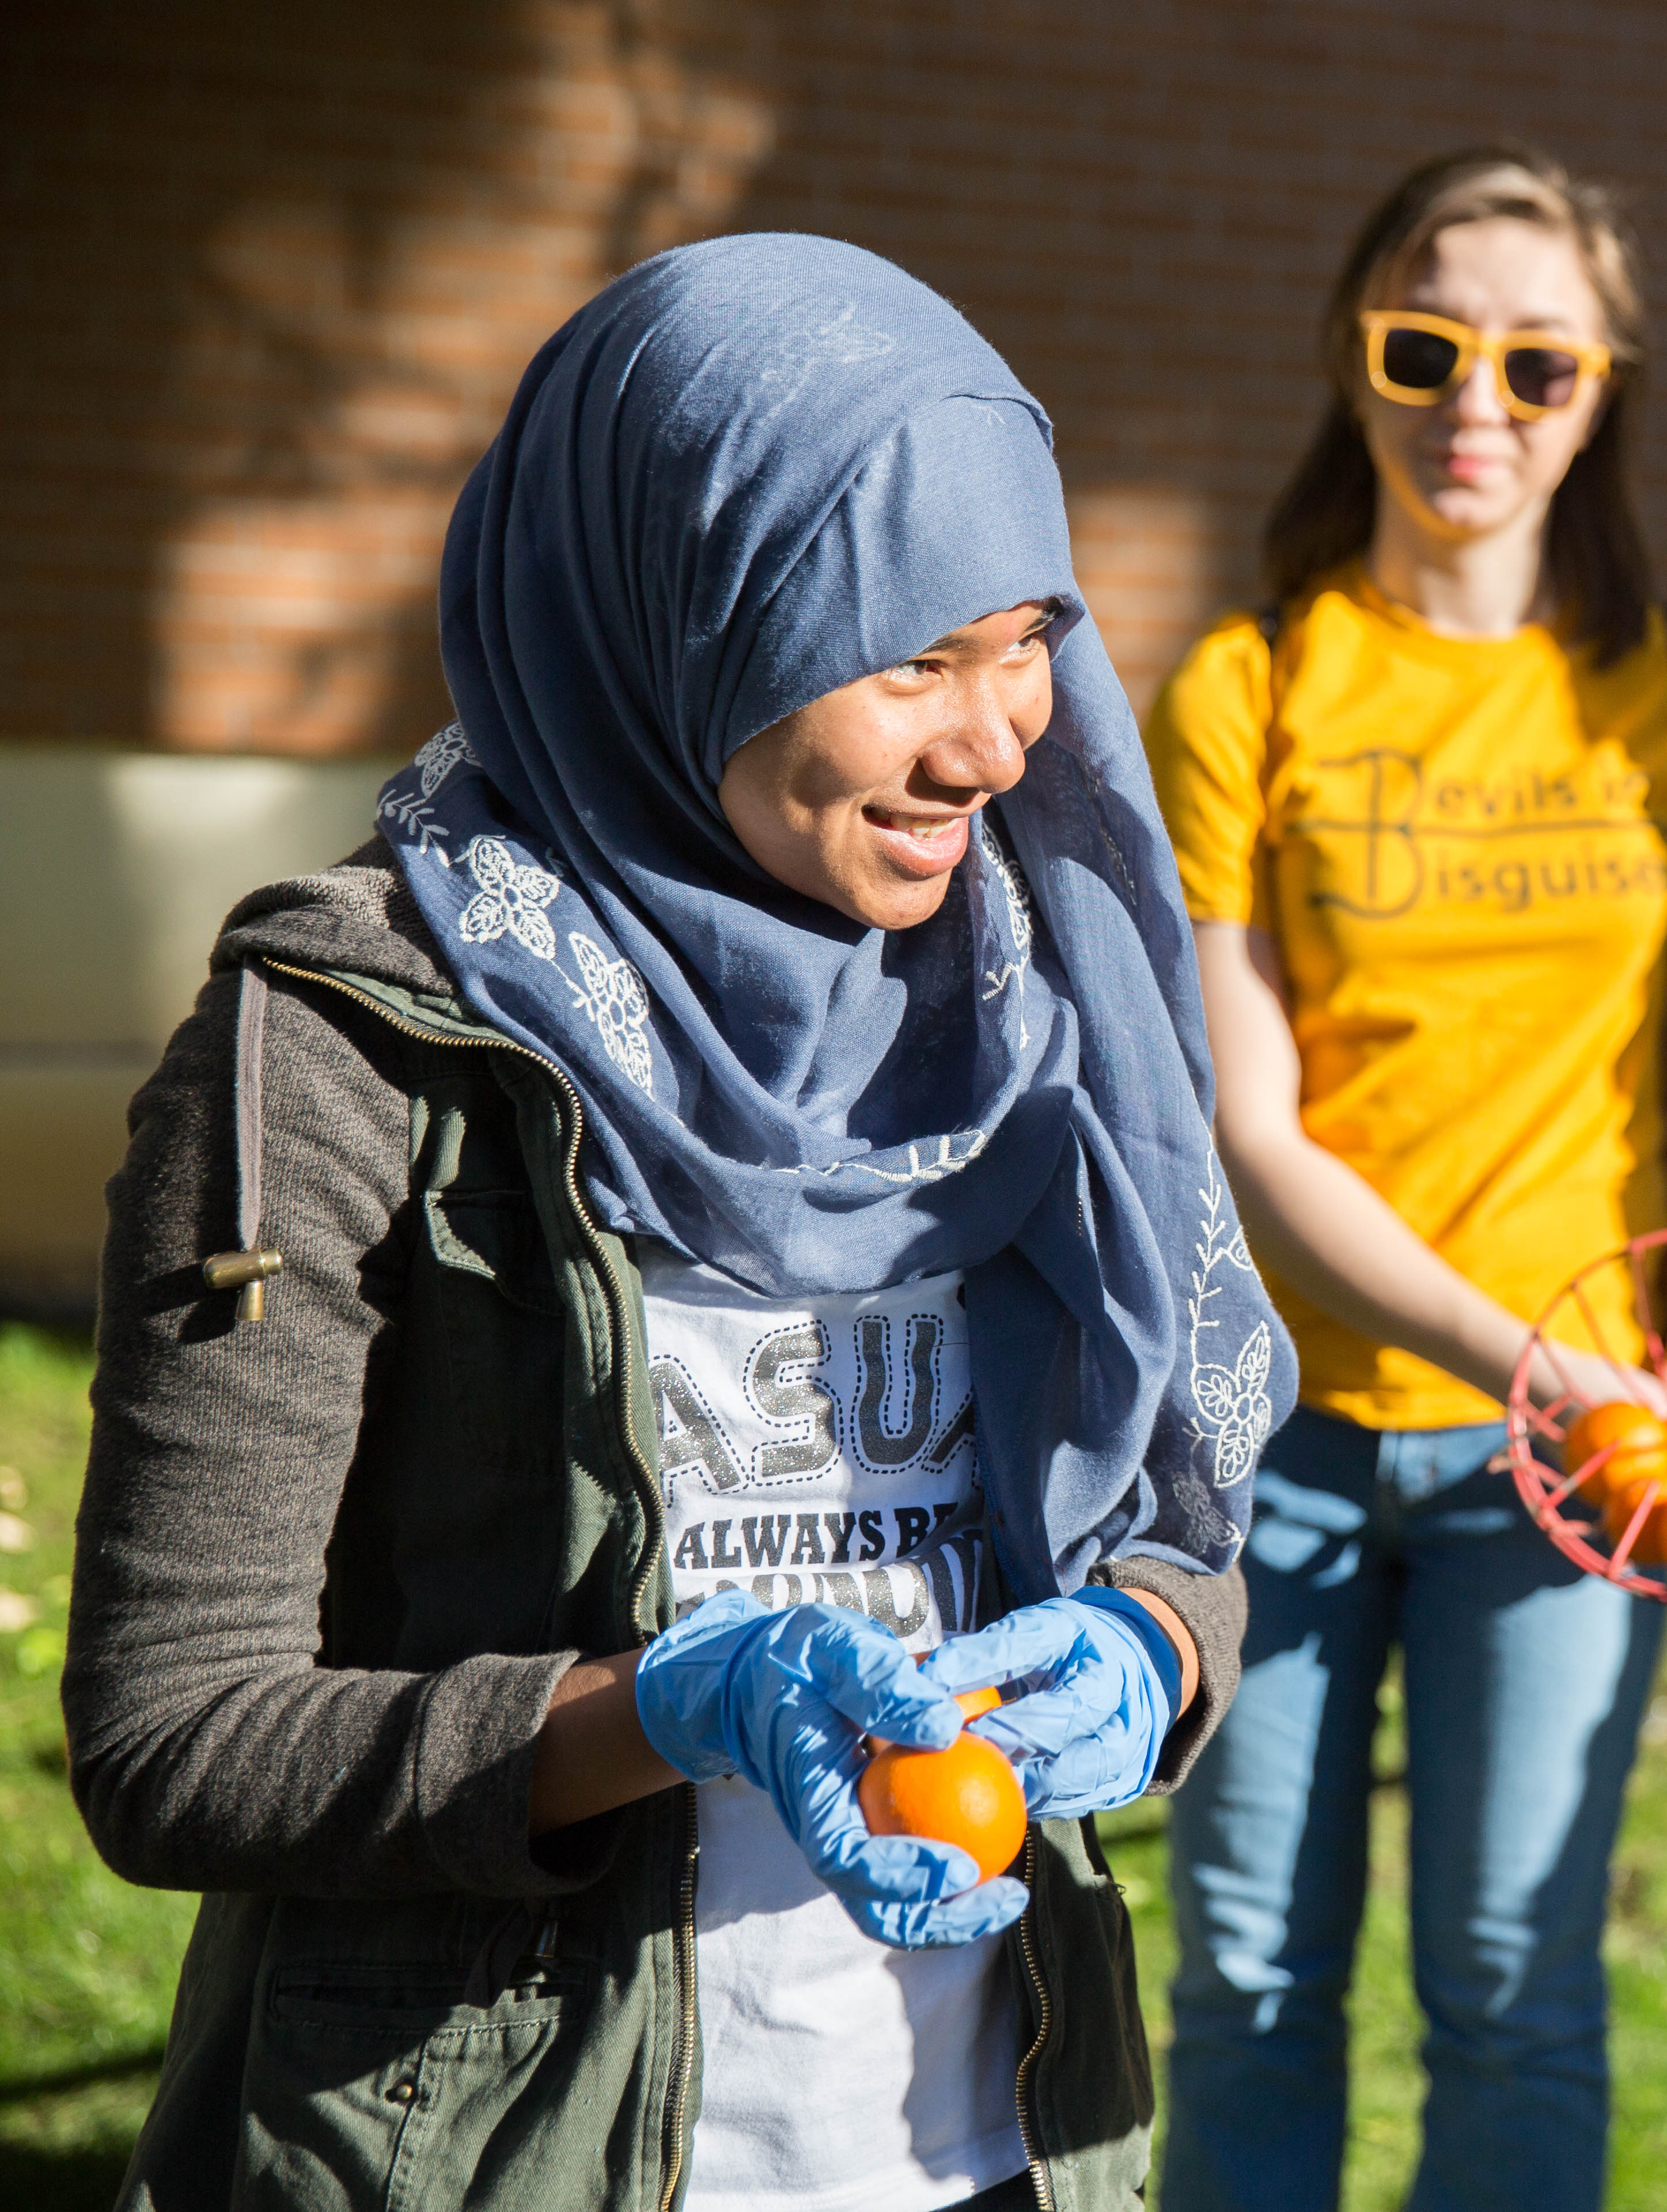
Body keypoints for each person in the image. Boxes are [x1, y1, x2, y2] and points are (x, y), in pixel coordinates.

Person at [63, 234, 1289, 2212]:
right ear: (679, 615)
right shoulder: (346, 1041)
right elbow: (174, 1735)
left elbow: (1168, 1515)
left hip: (998, 2153)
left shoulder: (1042, 1008)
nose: (995, 744)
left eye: (1025, 638)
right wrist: (645, 1716)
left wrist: (1156, 1648)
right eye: (909, 657)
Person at [1142, 146, 1667, 2211]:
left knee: (1519, 1981)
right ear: (1354, 360)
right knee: (1250, 1973)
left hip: (1588, 1463)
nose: (1477, 408)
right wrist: (1551, 1360)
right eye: (1427, 349)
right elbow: (1253, 1134)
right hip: (1286, 1443)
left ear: (1604, 393)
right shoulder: (1244, 688)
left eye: (1540, 365)